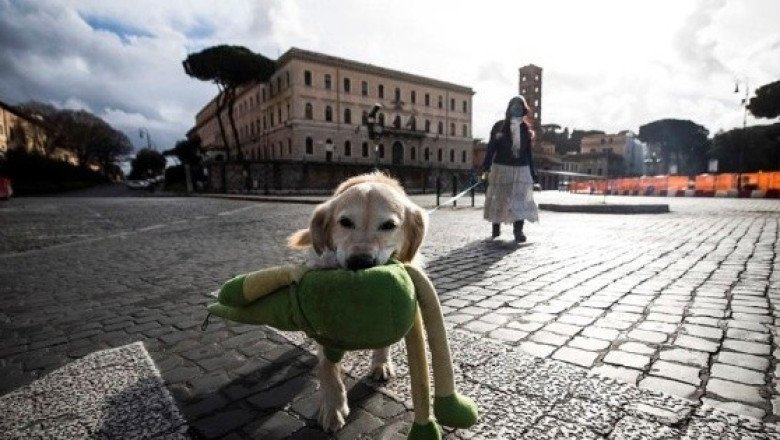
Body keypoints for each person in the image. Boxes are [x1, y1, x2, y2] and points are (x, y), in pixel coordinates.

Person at [481, 96, 539, 242]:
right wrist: (486, 166)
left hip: (522, 169)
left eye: (519, 106)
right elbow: (491, 148)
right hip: (502, 168)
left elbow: (528, 153)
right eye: (514, 106)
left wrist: (533, 172)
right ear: (508, 108)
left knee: (520, 201)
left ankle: (518, 231)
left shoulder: (525, 129)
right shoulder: (498, 126)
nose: (516, 109)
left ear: (524, 109)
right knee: (499, 199)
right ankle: (496, 227)